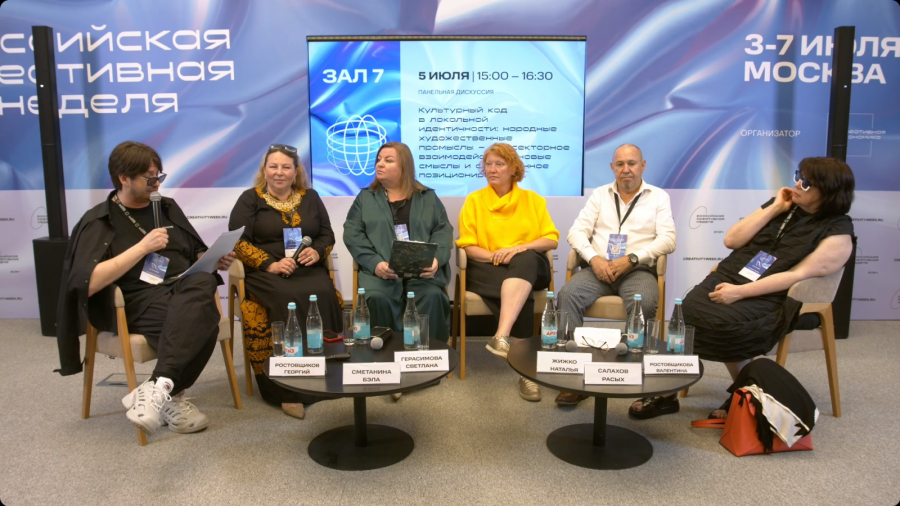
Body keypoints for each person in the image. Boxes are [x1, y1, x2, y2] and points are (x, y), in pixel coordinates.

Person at [630, 157, 854, 420]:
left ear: (828, 192)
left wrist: (740, 292)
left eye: (806, 182)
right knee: (688, 310)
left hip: (773, 296)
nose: (797, 184)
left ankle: (743, 394)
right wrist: (775, 207)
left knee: (725, 322)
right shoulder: (783, 205)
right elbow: (732, 240)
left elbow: (797, 275)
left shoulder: (838, 231)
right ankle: (669, 394)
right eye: (798, 176)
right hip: (731, 275)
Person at [56, 141, 236, 435]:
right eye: (149, 178)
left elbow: (195, 251)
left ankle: (155, 388)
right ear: (123, 178)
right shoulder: (99, 220)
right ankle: (170, 396)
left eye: (159, 176)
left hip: (182, 289)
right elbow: (87, 283)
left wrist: (214, 258)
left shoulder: (166, 207)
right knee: (202, 322)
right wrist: (141, 248)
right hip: (136, 302)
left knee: (203, 282)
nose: (156, 184)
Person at [228, 144, 343, 419]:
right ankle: (288, 389)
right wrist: (270, 264)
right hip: (265, 273)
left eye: (286, 167)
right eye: (273, 166)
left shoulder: (311, 197)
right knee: (287, 299)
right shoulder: (250, 199)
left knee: (323, 292)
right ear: (264, 170)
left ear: (296, 171)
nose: (279, 172)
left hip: (306, 269)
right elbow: (238, 241)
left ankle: (329, 372)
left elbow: (326, 234)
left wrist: (317, 251)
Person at [556, 143, 676, 406]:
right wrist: (594, 258)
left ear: (643, 166)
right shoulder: (600, 195)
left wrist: (632, 259)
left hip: (637, 271)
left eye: (631, 163)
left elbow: (668, 239)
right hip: (598, 269)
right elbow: (576, 232)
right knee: (568, 295)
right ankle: (573, 375)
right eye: (620, 164)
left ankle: (629, 370)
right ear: (612, 167)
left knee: (644, 302)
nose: (626, 169)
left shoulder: (658, 197)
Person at [456, 143, 559, 402]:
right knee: (521, 289)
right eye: (488, 164)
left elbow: (551, 239)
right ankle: (527, 373)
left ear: (514, 169)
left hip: (529, 265)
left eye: (499, 164)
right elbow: (468, 246)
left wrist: (518, 249)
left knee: (524, 262)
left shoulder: (533, 200)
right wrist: (498, 256)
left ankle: (501, 335)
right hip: (487, 267)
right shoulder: (474, 200)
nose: (491, 169)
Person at [343, 141, 454, 351]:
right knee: (376, 298)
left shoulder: (428, 197)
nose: (380, 164)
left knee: (432, 297)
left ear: (404, 166)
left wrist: (436, 260)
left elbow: (443, 231)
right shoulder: (366, 198)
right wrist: (375, 264)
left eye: (388, 160)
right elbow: (352, 234)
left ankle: (428, 357)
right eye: (378, 159)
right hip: (381, 273)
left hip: (421, 273)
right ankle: (382, 358)